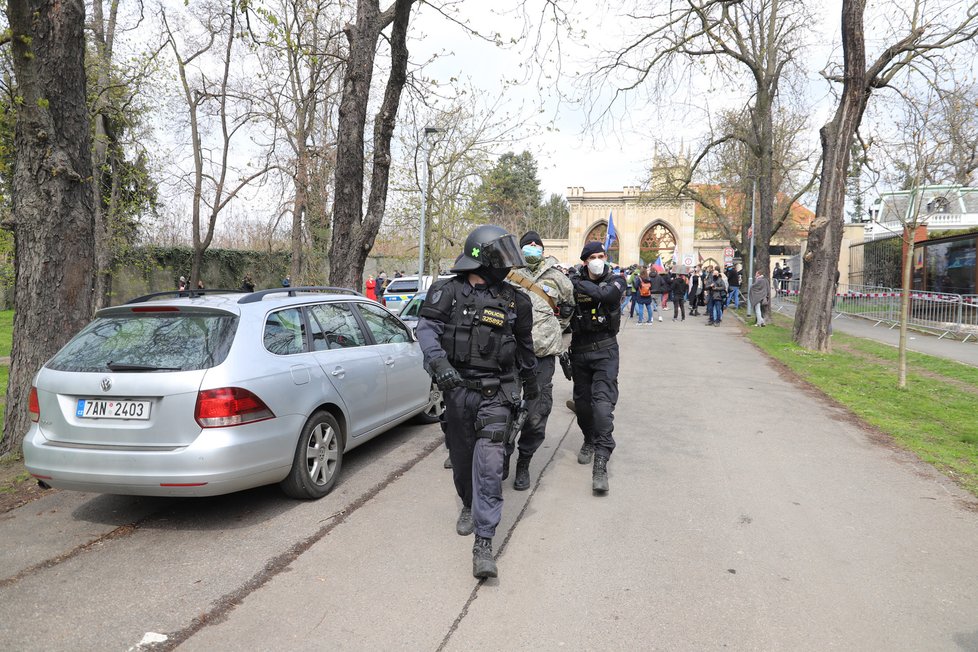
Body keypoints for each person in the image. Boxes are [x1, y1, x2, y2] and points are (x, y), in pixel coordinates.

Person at [416, 224, 537, 579]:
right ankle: (467, 504)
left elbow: (526, 350)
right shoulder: (446, 292)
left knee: (489, 464)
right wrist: (439, 365)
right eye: (499, 256)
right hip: (458, 393)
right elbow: (425, 330)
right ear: (481, 259)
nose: (507, 264)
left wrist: (533, 392)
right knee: (462, 457)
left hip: (496, 393)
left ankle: (484, 543)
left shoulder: (518, 300)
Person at [506, 231, 575, 491]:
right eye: (528, 245)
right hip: (510, 355)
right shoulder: (506, 274)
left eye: (537, 245)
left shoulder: (558, 278)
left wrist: (551, 330)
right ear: (520, 249)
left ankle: (524, 462)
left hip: (543, 356)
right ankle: (502, 455)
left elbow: (568, 309)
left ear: (543, 250)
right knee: (504, 410)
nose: (533, 247)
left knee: (536, 414)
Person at [568, 241, 627, 494]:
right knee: (582, 407)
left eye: (601, 256)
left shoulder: (616, 279)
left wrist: (575, 281)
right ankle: (589, 440)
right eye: (592, 256)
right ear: (584, 261)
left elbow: (606, 296)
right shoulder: (571, 282)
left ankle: (601, 462)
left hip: (605, 350)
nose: (597, 260)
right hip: (579, 352)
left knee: (602, 407)